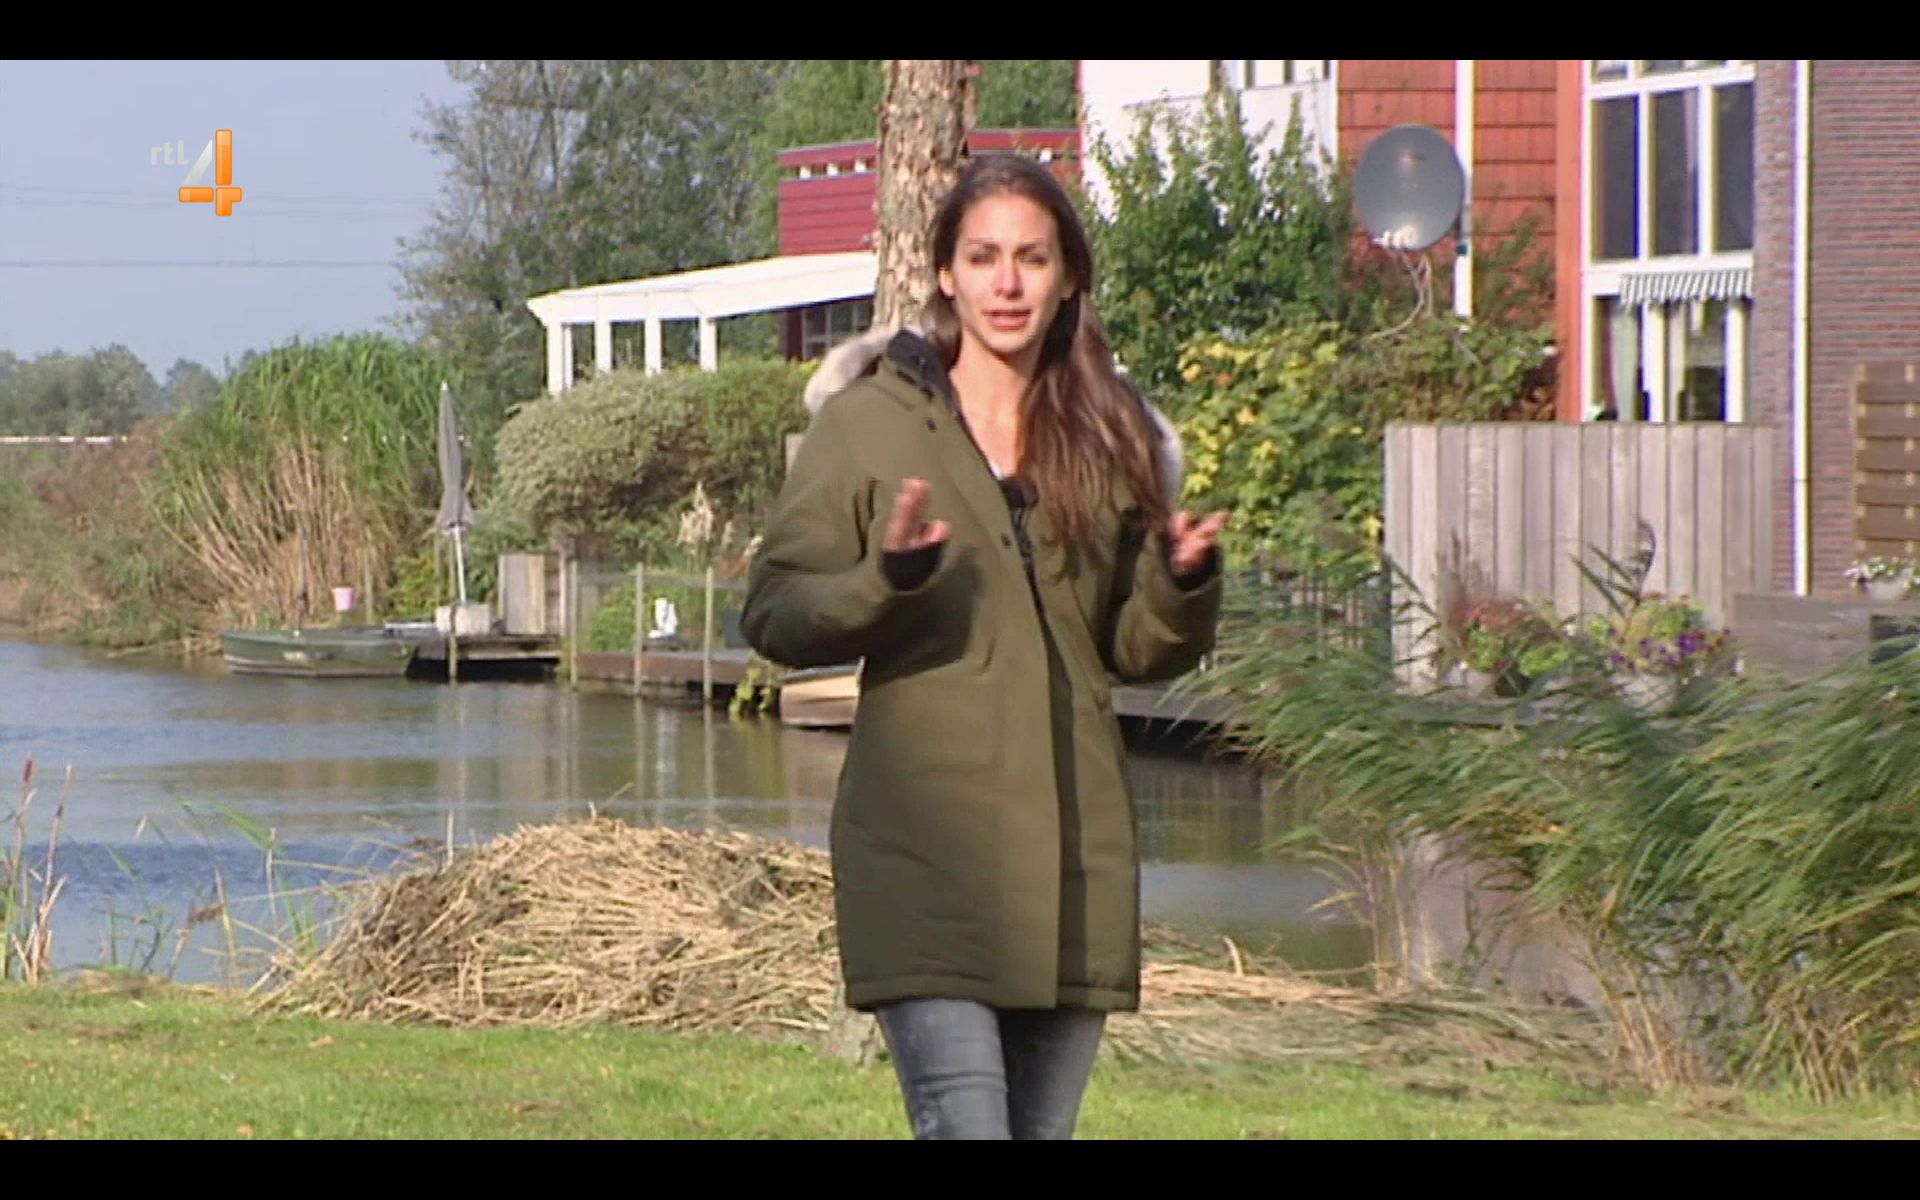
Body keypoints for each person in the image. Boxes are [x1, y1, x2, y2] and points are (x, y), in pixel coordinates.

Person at [740, 152, 1226, 1140]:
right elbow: (776, 614)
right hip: (925, 857)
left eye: (1032, 259)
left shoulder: (1112, 433)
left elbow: (1130, 650)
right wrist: (885, 578)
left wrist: (1180, 585)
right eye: (984, 257)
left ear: (1069, 276)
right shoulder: (868, 426)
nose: (1008, 283)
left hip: (1075, 869)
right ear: (946, 275)